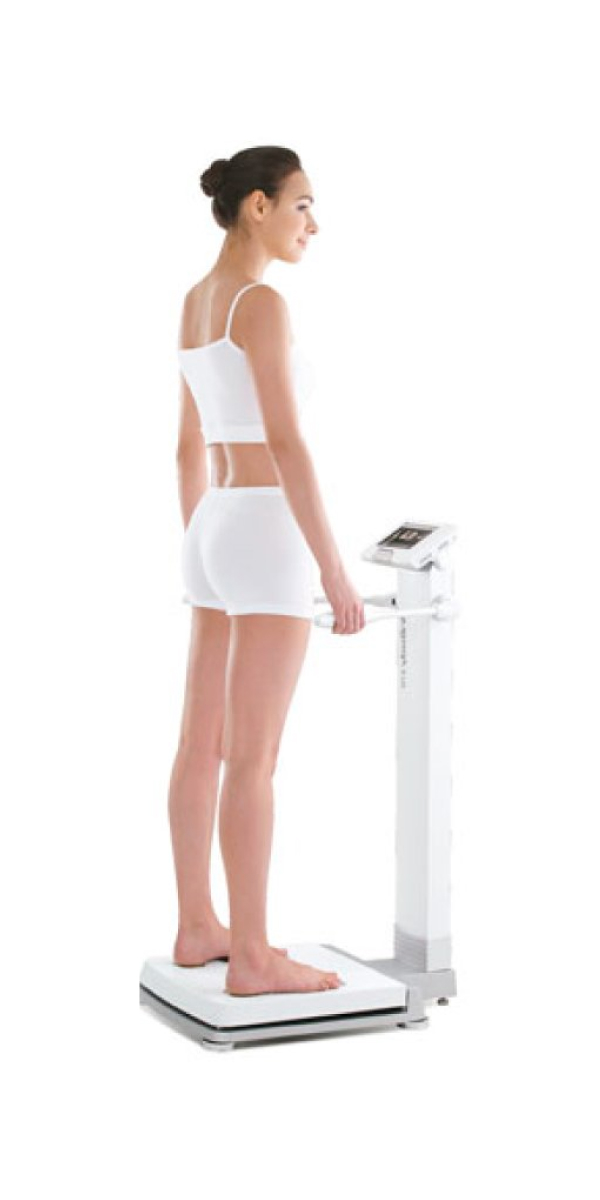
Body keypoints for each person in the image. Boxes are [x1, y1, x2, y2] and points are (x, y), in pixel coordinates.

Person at [169, 145, 365, 997]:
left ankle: (197, 926)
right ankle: (251, 956)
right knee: (253, 758)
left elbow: (186, 447)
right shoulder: (262, 304)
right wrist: (334, 570)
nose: (312, 224)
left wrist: (206, 545)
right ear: (258, 206)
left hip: (213, 523)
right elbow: (286, 443)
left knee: (198, 743)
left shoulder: (196, 301)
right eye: (302, 205)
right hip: (262, 529)